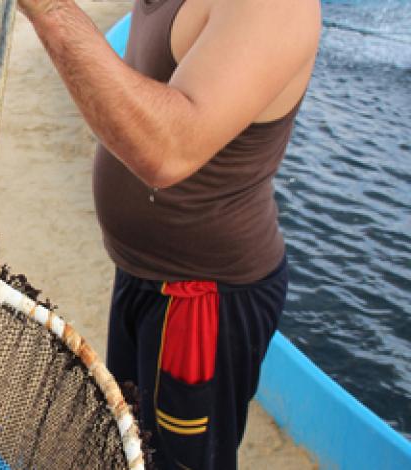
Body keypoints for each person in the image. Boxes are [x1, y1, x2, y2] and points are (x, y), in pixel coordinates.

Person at [18, 0, 321, 468]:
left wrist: (50, 9)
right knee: (129, 444)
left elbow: (168, 149)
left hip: (200, 296)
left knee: (173, 462)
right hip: (140, 273)